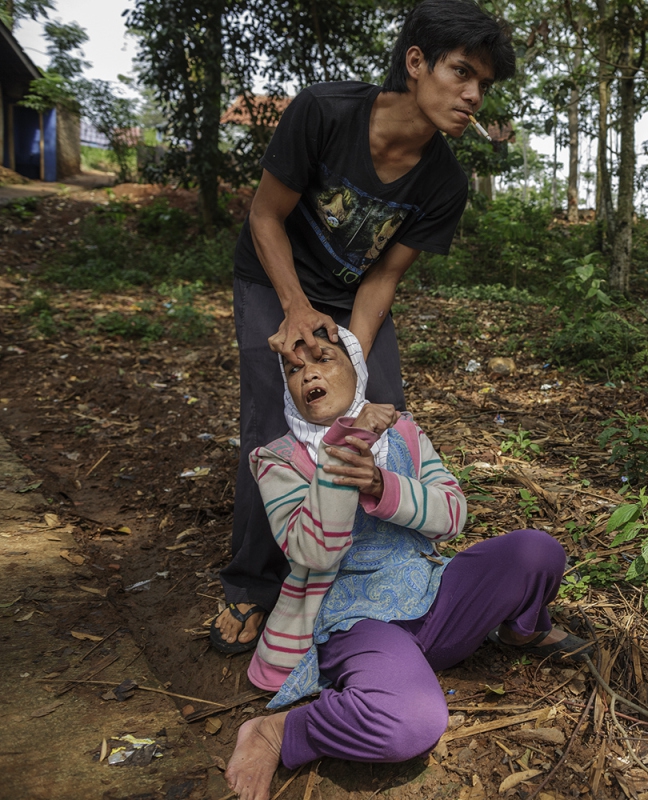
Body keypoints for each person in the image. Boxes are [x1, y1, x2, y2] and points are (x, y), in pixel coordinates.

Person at [213, 0, 516, 653]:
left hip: (351, 295)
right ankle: (251, 584)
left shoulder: (445, 181)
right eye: (462, 72)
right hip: (274, 276)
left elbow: (381, 279)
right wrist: (295, 311)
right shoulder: (325, 113)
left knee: (383, 419)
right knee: (275, 420)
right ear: (415, 62)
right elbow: (265, 217)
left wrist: (349, 353)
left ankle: (369, 576)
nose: (472, 95)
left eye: (484, 86)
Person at [224, 327, 589, 800]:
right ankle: (276, 732)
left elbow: (453, 514)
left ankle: (521, 629)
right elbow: (314, 552)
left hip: (435, 595)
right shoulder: (278, 460)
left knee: (536, 551)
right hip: (358, 620)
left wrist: (382, 486)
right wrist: (347, 448)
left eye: (325, 359)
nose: (308, 372)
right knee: (409, 725)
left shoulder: (405, 434)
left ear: (358, 373)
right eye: (293, 370)